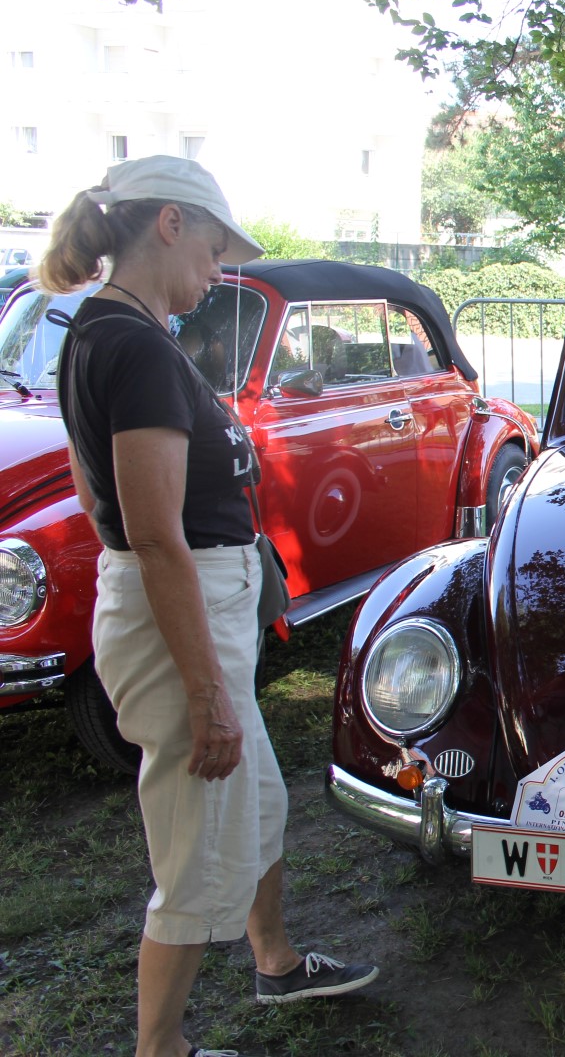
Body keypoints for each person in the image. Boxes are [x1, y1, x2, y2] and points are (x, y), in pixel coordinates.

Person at [40, 154, 378, 1057]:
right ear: (170, 225)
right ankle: (161, 1047)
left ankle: (273, 961)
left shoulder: (105, 332)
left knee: (257, 801)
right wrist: (204, 692)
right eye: (215, 250)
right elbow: (153, 536)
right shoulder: (135, 345)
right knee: (193, 850)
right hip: (177, 619)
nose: (218, 273)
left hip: (192, 611)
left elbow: (94, 488)